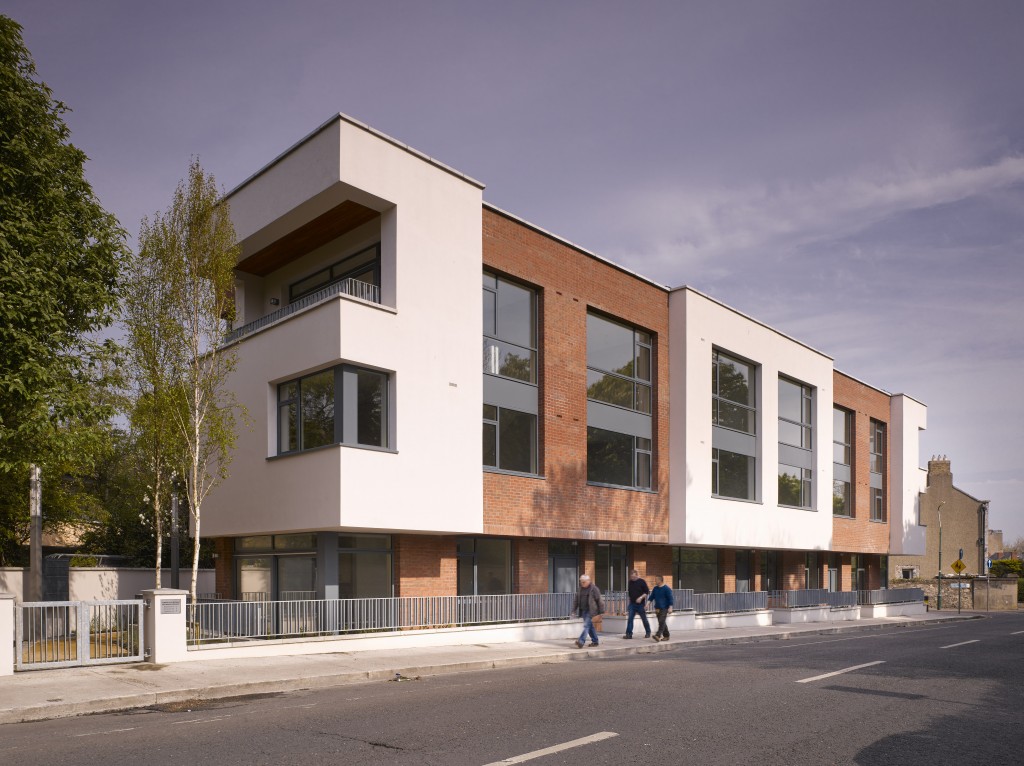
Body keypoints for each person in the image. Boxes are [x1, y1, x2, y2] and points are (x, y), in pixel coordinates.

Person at [572, 574, 604, 648]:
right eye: (581, 582)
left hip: (591, 611)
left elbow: (599, 600)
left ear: (588, 581)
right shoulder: (580, 589)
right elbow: (576, 600)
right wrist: (573, 610)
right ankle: (595, 641)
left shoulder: (594, 589)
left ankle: (581, 641)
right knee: (590, 627)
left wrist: (601, 612)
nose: (582, 583)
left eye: (584, 582)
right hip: (583, 610)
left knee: (586, 626)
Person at [623, 569, 651, 639]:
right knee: (630, 619)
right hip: (632, 604)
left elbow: (647, 592)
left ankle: (648, 632)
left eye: (634, 577)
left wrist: (641, 598)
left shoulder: (642, 582)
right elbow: (630, 594)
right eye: (631, 577)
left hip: (640, 605)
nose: (632, 578)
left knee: (644, 619)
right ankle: (629, 634)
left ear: (637, 575)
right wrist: (628, 607)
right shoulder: (630, 582)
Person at [649, 575, 674, 641]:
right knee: (662, 622)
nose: (655, 581)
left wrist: (670, 607)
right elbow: (651, 597)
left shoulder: (667, 589)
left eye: (656, 580)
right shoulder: (655, 588)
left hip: (664, 608)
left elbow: (670, 598)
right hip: (657, 608)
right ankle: (666, 636)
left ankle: (658, 635)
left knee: (661, 621)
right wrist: (647, 604)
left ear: (660, 580)